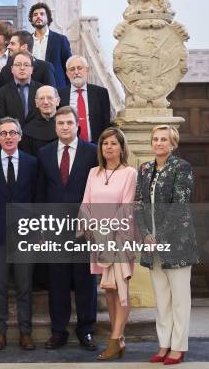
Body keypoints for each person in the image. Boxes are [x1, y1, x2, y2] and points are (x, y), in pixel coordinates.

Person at [36, 106, 98, 351]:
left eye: (69, 123)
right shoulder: (45, 152)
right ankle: (58, 331)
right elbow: (40, 192)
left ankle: (87, 331)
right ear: (55, 127)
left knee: (85, 282)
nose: (64, 127)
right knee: (58, 282)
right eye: (60, 123)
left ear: (77, 125)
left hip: (84, 228)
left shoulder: (92, 152)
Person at [135, 125, 199, 365]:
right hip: (152, 243)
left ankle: (178, 347)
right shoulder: (145, 168)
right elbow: (138, 203)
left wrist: (157, 236)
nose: (159, 143)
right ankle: (164, 344)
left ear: (173, 144)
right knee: (161, 298)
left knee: (180, 298)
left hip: (177, 243)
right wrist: (146, 234)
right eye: (155, 139)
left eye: (164, 139)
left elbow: (179, 206)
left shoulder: (181, 168)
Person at [0, 117, 38, 351]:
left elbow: (37, 197)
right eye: (3, 133)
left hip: (25, 234)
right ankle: (0, 332)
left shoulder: (32, 163)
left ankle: (25, 333)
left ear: (20, 136)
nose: (8, 137)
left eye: (12, 133)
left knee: (24, 287)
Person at [80, 127, 138, 360]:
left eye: (113, 143)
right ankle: (119, 338)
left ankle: (115, 340)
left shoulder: (130, 173)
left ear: (122, 148)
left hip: (120, 239)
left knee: (121, 287)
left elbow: (127, 207)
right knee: (109, 290)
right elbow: (86, 203)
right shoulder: (94, 172)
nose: (109, 147)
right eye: (105, 144)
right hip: (97, 239)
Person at [58, 55, 111, 143]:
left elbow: (106, 123)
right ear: (67, 74)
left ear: (87, 70)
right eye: (72, 69)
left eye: (79, 68)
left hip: (96, 145)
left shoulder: (101, 93)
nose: (76, 72)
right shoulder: (60, 94)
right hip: (69, 144)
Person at [29, 2, 72, 88]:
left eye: (42, 14)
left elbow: (68, 66)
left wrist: (68, 88)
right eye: (35, 15)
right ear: (32, 19)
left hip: (56, 86)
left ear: (48, 18)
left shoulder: (60, 40)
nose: (38, 16)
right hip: (32, 86)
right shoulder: (27, 40)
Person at [0, 51, 43, 125]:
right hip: (13, 134)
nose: (22, 68)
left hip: (38, 133)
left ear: (32, 69)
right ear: (12, 69)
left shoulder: (41, 90)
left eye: (26, 65)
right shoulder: (2, 92)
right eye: (18, 65)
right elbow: (1, 119)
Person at [21, 85, 60, 156]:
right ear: (36, 103)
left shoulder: (67, 126)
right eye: (41, 98)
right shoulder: (28, 131)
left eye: (50, 98)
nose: (45, 102)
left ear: (57, 101)